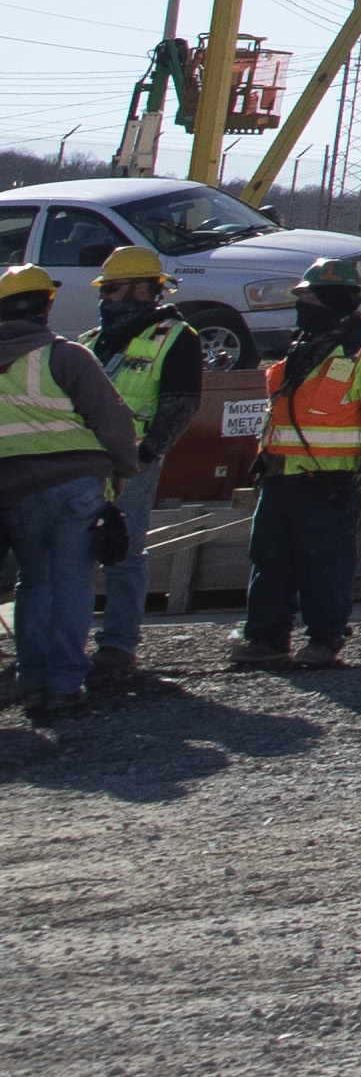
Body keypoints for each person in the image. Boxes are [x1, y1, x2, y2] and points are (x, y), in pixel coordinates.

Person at [236, 268, 361, 675]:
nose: (301, 306)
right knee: (269, 558)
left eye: (310, 299)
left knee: (324, 563)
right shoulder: (305, 347)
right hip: (281, 475)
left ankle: (324, 639)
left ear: (332, 301)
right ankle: (266, 639)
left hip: (330, 479)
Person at [0, 267, 137, 730]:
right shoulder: (65, 356)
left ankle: (33, 685)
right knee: (72, 583)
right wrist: (123, 469)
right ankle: (64, 686)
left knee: (34, 583)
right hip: (78, 483)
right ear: (46, 306)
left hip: (16, 491)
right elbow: (113, 420)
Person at [83, 247, 196, 702]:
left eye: (116, 289)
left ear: (146, 289)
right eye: (108, 290)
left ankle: (117, 647)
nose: (111, 298)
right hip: (84, 462)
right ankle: (68, 645)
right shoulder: (94, 340)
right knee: (71, 555)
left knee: (124, 556)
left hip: (133, 462)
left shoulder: (175, 336)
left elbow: (181, 404)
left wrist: (147, 454)